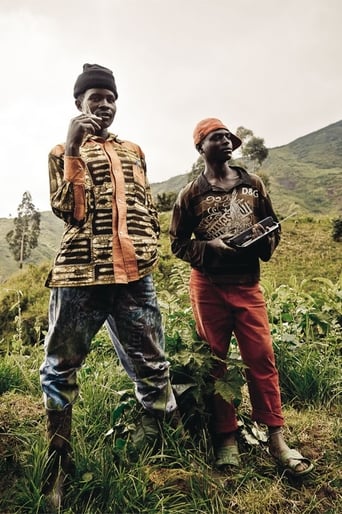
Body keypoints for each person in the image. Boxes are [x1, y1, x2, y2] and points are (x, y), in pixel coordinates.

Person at [39, 63, 180, 499]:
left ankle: (163, 444)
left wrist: (150, 247)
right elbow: (69, 211)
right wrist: (74, 150)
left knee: (152, 362)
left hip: (134, 274)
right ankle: (57, 464)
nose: (103, 104)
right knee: (61, 368)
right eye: (94, 97)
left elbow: (144, 206)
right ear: (78, 102)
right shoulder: (62, 149)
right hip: (81, 274)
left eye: (109, 97)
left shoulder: (134, 150)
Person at [169, 117, 314, 476]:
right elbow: (177, 244)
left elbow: (272, 228)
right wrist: (210, 247)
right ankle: (226, 437)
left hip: (247, 284)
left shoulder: (254, 185)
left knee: (261, 357)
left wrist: (265, 241)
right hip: (208, 288)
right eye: (217, 138)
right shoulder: (190, 194)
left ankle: (276, 436)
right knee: (216, 362)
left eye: (229, 138)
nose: (227, 142)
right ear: (201, 147)